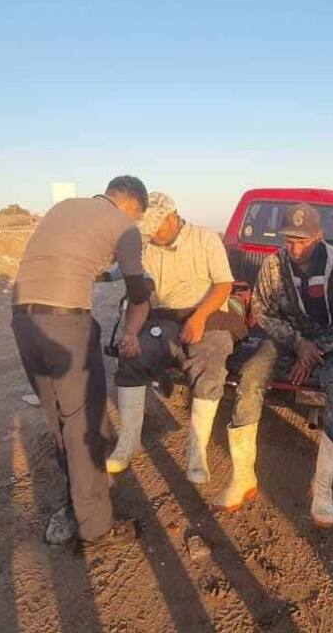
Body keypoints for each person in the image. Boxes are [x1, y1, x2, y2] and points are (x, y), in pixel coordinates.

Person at [10, 176, 150, 553]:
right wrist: (142, 288)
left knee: (59, 416)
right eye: (138, 217)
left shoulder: (64, 208)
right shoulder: (124, 227)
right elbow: (137, 289)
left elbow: (78, 261)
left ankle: (79, 498)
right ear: (133, 207)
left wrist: (110, 273)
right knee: (84, 425)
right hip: (65, 325)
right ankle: (97, 528)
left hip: (23, 320)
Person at [210, 202, 333, 529]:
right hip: (287, 338)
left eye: (302, 241)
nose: (294, 247)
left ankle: (322, 488)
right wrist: (298, 344)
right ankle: (242, 477)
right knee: (251, 375)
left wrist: (315, 348)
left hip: (331, 341)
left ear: (319, 236)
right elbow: (264, 310)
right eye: (289, 240)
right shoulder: (273, 264)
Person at [106, 192, 244, 485]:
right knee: (132, 356)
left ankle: (197, 452)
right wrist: (130, 334)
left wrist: (199, 317)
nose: (152, 235)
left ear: (172, 216)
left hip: (205, 315)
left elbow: (224, 286)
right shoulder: (146, 246)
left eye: (156, 228)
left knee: (209, 362)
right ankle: (128, 441)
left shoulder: (205, 238)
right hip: (163, 317)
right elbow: (139, 296)